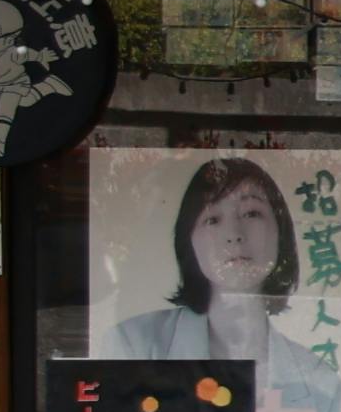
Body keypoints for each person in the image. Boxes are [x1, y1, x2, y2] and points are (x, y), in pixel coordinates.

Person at [107, 155, 298, 367]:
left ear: (281, 230)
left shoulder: (320, 379)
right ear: (188, 241)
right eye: (213, 219)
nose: (233, 234)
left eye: (251, 213)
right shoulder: (133, 344)